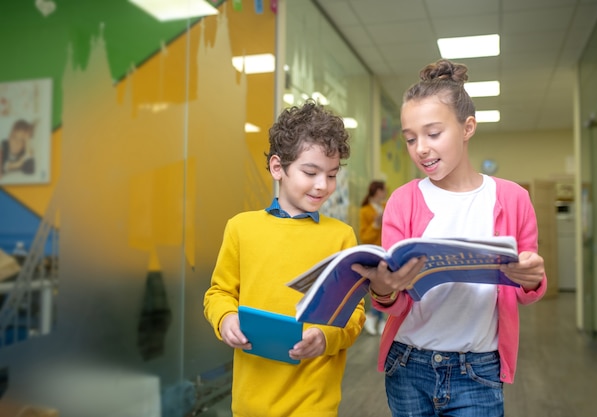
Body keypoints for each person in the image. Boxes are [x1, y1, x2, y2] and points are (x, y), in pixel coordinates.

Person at [351, 59, 548, 417]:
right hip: (407, 363)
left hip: (479, 369)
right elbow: (392, 301)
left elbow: (524, 287)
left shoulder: (512, 198)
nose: (420, 148)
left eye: (433, 134)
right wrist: (382, 287)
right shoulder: (402, 201)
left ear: (467, 127)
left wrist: (532, 278)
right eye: (410, 139)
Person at [204, 100, 365, 417]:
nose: (323, 185)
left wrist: (325, 337)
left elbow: (354, 313)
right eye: (310, 172)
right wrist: (225, 319)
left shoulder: (342, 236)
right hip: (251, 402)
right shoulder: (240, 228)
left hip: (314, 402)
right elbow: (218, 293)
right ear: (278, 167)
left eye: (332, 175)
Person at [359, 180, 388, 335]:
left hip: (386, 252)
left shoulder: (385, 207)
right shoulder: (365, 211)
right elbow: (365, 237)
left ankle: (377, 317)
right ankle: (375, 317)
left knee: (386, 286)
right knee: (378, 287)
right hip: (372, 254)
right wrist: (376, 224)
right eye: (384, 190)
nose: (386, 192)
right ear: (378, 191)